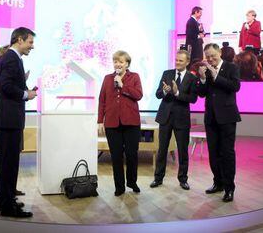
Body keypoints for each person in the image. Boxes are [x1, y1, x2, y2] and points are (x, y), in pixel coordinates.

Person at [0, 27, 37, 217]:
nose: (32, 46)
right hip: (9, 120)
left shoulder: (12, 58)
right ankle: (7, 206)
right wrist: (26, 94)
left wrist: (26, 91)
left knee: (7, 163)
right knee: (9, 163)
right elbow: (5, 86)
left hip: (8, 119)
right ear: (19, 40)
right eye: (30, 42)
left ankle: (5, 201)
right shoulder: (11, 58)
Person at [197, 43, 241, 203]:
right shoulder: (206, 70)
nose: (210, 59)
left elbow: (235, 86)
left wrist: (216, 77)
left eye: (213, 55)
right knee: (213, 153)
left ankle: (229, 188)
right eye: (207, 56)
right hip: (211, 118)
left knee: (227, 153)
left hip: (228, 117)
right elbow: (201, 94)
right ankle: (218, 183)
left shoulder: (231, 67)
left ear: (220, 52)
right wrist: (202, 79)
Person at [150, 50, 197, 190]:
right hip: (165, 117)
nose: (177, 62)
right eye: (176, 60)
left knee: (183, 151)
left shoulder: (192, 78)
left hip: (182, 119)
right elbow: (158, 94)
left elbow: (193, 99)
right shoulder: (167, 73)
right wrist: (165, 91)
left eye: (180, 61)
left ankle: (183, 179)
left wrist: (177, 92)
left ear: (187, 62)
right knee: (162, 149)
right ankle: (158, 178)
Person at [98, 50, 143, 196]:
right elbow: (102, 100)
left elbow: (138, 95)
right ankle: (119, 186)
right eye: (115, 61)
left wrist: (123, 85)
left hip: (131, 123)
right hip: (112, 123)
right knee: (116, 156)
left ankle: (132, 181)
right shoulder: (107, 78)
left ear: (127, 64)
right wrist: (100, 121)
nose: (117, 64)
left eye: (121, 61)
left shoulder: (134, 76)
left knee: (131, 154)